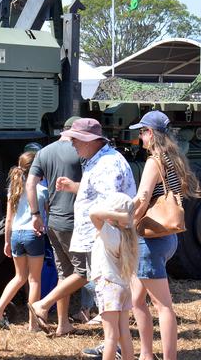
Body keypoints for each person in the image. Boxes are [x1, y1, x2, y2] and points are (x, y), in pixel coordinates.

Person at [30, 118, 137, 336]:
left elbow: (111, 204)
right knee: (98, 283)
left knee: (104, 286)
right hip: (98, 235)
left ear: (89, 140)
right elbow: (96, 193)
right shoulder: (96, 160)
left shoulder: (106, 164)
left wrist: (101, 226)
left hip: (105, 237)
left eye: (76, 140)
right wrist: (73, 187)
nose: (72, 145)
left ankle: (113, 344)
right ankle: (112, 342)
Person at [128, 110, 199, 360]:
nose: (140, 136)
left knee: (163, 305)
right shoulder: (173, 158)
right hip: (166, 237)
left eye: (143, 131)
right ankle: (147, 356)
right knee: (137, 299)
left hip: (150, 239)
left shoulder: (153, 161)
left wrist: (125, 222)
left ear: (151, 133)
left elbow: (143, 196)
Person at [25, 116, 84, 336]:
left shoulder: (44, 152)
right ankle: (44, 305)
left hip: (54, 221)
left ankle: (63, 325)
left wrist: (35, 214)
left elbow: (30, 184)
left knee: (64, 272)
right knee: (85, 270)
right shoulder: (80, 151)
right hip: (76, 220)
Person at [87, 193, 138, 360]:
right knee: (124, 334)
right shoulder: (129, 235)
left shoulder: (110, 232)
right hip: (123, 287)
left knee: (110, 335)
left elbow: (93, 213)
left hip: (108, 286)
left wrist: (118, 215)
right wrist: (126, 218)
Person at [0, 151, 48, 331]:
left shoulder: (13, 189)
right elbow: (47, 214)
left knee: (19, 277)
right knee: (34, 280)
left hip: (16, 235)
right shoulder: (42, 189)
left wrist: (7, 241)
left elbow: (8, 219)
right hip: (33, 235)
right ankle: (33, 324)